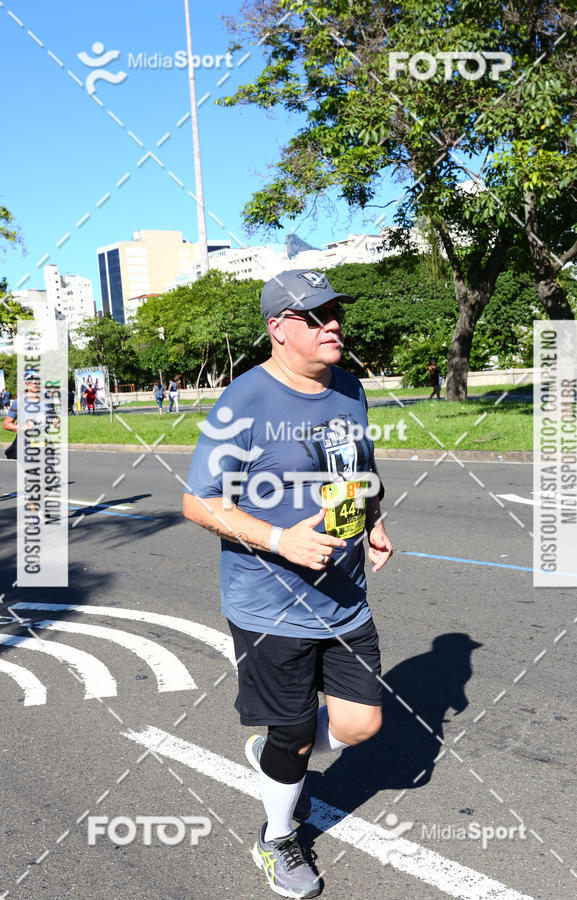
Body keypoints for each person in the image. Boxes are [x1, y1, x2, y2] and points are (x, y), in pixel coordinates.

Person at [182, 269, 393, 898]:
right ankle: (276, 839)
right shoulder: (242, 402)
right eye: (315, 315)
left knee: (361, 727)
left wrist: (375, 520)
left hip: (345, 593)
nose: (334, 325)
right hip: (269, 603)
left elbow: (359, 464)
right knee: (296, 733)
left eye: (336, 313)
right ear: (278, 329)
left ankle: (281, 748)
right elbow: (199, 503)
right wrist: (280, 539)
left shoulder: (350, 388)